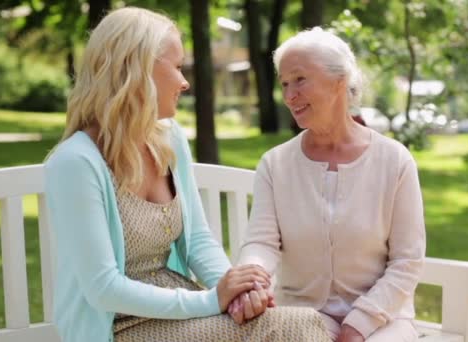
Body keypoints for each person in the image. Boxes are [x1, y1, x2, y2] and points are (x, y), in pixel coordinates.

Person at [44, 7, 329, 342]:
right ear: (138, 68)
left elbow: (197, 241)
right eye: (177, 66)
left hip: (182, 311)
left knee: (295, 324)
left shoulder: (167, 137)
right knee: (296, 328)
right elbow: (103, 288)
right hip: (119, 327)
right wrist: (211, 298)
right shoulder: (76, 162)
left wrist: (236, 293)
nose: (184, 81)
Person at [236, 27, 426, 342]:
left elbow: (407, 261)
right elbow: (262, 243)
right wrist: (252, 277)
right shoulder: (275, 164)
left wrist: (358, 325)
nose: (289, 95)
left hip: (382, 319)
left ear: (339, 81)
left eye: (300, 80)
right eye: (284, 84)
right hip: (303, 318)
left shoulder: (395, 161)